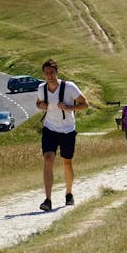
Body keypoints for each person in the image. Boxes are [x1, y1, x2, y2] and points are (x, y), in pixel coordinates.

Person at [36, 59, 88, 211]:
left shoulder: (69, 87)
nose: (49, 76)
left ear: (57, 72)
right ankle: (47, 199)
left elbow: (85, 104)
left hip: (67, 130)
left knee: (67, 162)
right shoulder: (41, 88)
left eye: (52, 72)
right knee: (48, 159)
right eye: (46, 73)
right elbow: (38, 103)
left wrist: (69, 107)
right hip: (49, 128)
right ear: (43, 74)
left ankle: (69, 193)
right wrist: (40, 105)